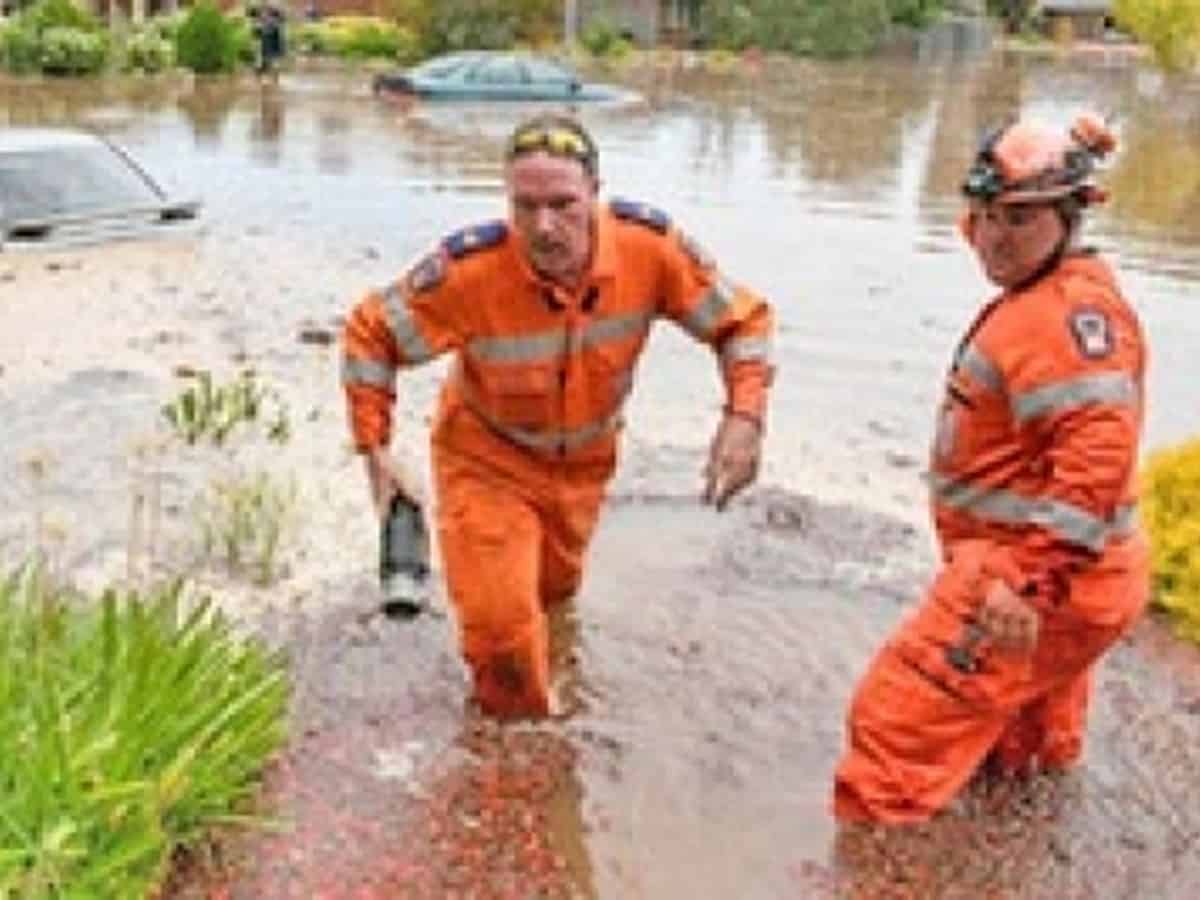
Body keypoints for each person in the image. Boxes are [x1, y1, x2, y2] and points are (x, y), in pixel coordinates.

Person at [340, 114, 774, 718]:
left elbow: (742, 322)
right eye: (525, 206)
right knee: (501, 631)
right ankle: (511, 775)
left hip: (584, 469)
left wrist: (744, 418)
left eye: (563, 205)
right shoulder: (469, 273)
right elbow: (369, 336)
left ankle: (546, 712)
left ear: (595, 194)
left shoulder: (649, 250)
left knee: (553, 602)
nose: (544, 227)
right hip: (486, 460)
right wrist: (376, 453)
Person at [833, 113, 1150, 823]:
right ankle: (1027, 857)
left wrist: (1027, 583)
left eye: (1018, 218)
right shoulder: (1050, 296)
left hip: (1031, 578)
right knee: (1025, 751)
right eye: (984, 217)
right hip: (1080, 578)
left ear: (1071, 216)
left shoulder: (1063, 316)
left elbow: (1098, 456)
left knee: (894, 732)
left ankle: (882, 871)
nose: (994, 238)